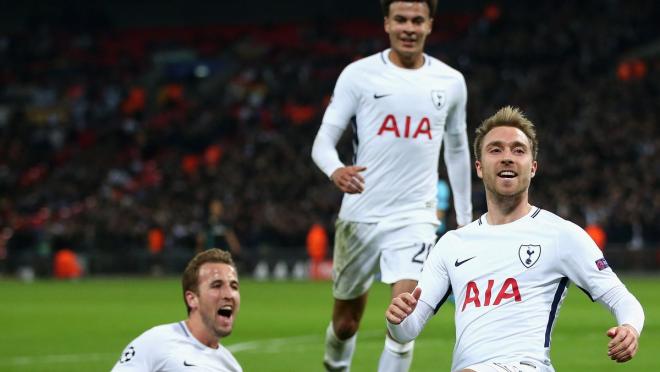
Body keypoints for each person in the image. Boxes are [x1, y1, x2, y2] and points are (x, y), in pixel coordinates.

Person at [386, 106, 644, 372]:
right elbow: (407, 331)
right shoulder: (453, 244)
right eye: (495, 149)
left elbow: (623, 300)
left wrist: (629, 328)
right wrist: (397, 320)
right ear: (479, 167)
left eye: (518, 150)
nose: (507, 157)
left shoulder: (561, 235)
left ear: (532, 168)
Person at [311, 0, 472, 370]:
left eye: (418, 20)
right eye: (401, 20)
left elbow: (458, 149)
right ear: (386, 23)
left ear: (430, 25)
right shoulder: (358, 75)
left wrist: (464, 220)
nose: (409, 28)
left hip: (415, 217)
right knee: (346, 324)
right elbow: (322, 141)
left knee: (403, 323)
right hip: (361, 215)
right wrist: (336, 170)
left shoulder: (450, 82)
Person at [111, 249, 242, 371]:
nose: (229, 294)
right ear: (192, 299)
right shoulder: (156, 342)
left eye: (234, 286)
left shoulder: (231, 366)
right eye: (217, 285)